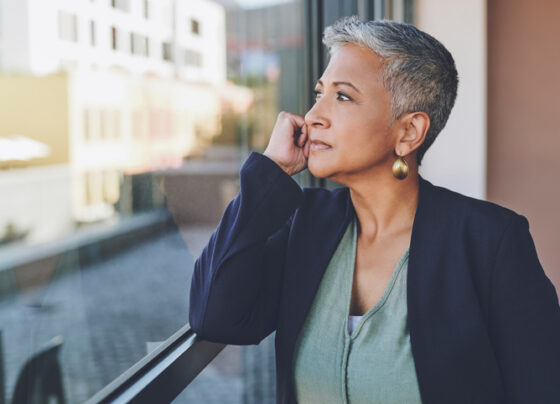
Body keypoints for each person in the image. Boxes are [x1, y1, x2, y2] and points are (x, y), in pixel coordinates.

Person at [189, 16, 560, 404]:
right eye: (319, 93)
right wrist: (271, 173)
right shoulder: (307, 224)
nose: (314, 115)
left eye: (343, 96)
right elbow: (216, 315)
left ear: (409, 132)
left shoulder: (490, 243)